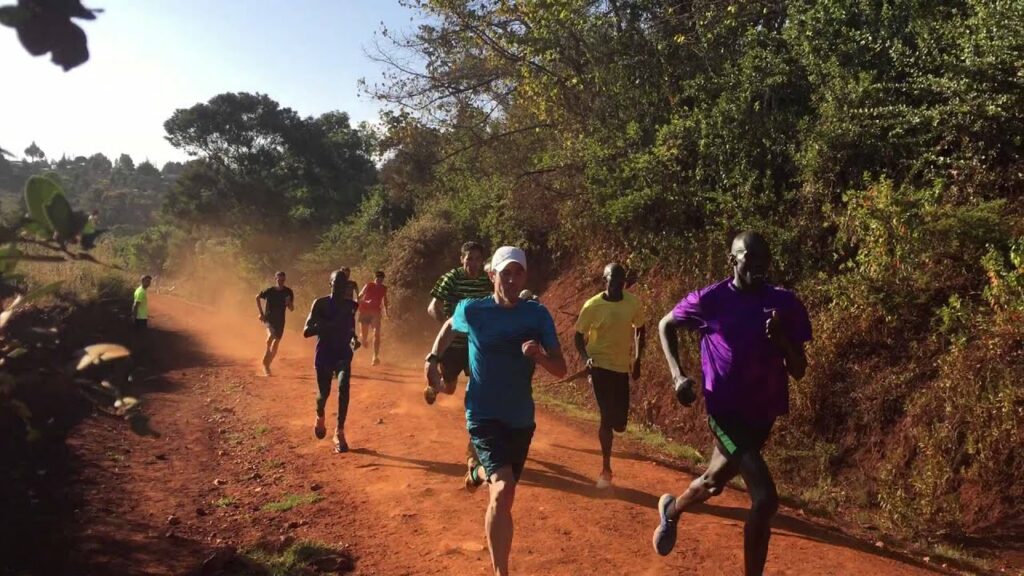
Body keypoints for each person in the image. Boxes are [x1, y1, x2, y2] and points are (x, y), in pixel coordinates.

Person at [651, 231, 811, 576]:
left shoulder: (785, 304)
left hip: (762, 415)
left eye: (762, 261)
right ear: (732, 260)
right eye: (748, 258)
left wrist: (783, 340)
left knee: (712, 481)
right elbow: (666, 325)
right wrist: (677, 375)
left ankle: (671, 511)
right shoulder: (711, 299)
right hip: (724, 413)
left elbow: (799, 370)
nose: (756, 266)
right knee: (765, 499)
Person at [424, 246, 566, 576]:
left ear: (525, 276)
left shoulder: (537, 315)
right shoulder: (473, 309)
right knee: (504, 489)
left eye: (518, 273)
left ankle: (476, 473)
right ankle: (501, 571)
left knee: (502, 487)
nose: (512, 279)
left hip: (520, 418)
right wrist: (432, 358)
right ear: (492, 276)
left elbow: (560, 367)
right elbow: (448, 327)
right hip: (483, 413)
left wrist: (540, 357)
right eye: (506, 273)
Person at [425, 241, 493, 489]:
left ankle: (474, 447)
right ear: (461, 258)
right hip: (453, 345)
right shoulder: (450, 279)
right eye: (469, 259)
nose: (473, 263)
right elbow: (433, 307)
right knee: (450, 388)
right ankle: (435, 388)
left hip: (476, 344)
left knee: (478, 391)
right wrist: (448, 325)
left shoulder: (486, 281)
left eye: (477, 259)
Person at [573, 263, 646, 489]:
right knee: (606, 417)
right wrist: (586, 358)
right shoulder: (592, 305)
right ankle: (606, 469)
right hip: (599, 366)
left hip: (621, 368)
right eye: (612, 280)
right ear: (605, 280)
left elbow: (640, 329)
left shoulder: (633, 303)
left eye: (620, 281)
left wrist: (637, 359)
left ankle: (611, 443)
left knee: (620, 424)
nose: (616, 285)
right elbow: (578, 336)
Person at [303, 269, 360, 453]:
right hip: (324, 354)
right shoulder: (320, 304)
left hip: (343, 352)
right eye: (336, 284)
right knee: (323, 394)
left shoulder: (351, 305)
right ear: (330, 285)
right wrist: (326, 326)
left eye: (342, 286)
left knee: (344, 387)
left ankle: (339, 432)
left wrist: (354, 338)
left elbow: (351, 328)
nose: (338, 288)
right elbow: (306, 330)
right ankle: (320, 415)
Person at [256, 271, 295, 376]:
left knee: (276, 343)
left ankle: (267, 364)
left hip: (280, 321)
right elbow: (257, 297)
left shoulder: (288, 292)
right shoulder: (270, 291)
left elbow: (291, 309)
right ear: (275, 279)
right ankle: (265, 362)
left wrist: (289, 303)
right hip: (269, 319)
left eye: (283, 280)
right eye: (279, 279)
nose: (281, 281)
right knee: (270, 337)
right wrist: (261, 314)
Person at [357, 271, 390, 365]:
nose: (380, 280)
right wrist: (366, 302)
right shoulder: (369, 285)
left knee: (377, 334)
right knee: (364, 336)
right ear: (375, 278)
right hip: (365, 311)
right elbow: (360, 296)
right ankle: (364, 341)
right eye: (378, 278)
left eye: (382, 278)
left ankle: (375, 357)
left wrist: (386, 312)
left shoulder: (384, 288)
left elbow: (385, 300)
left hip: (376, 313)